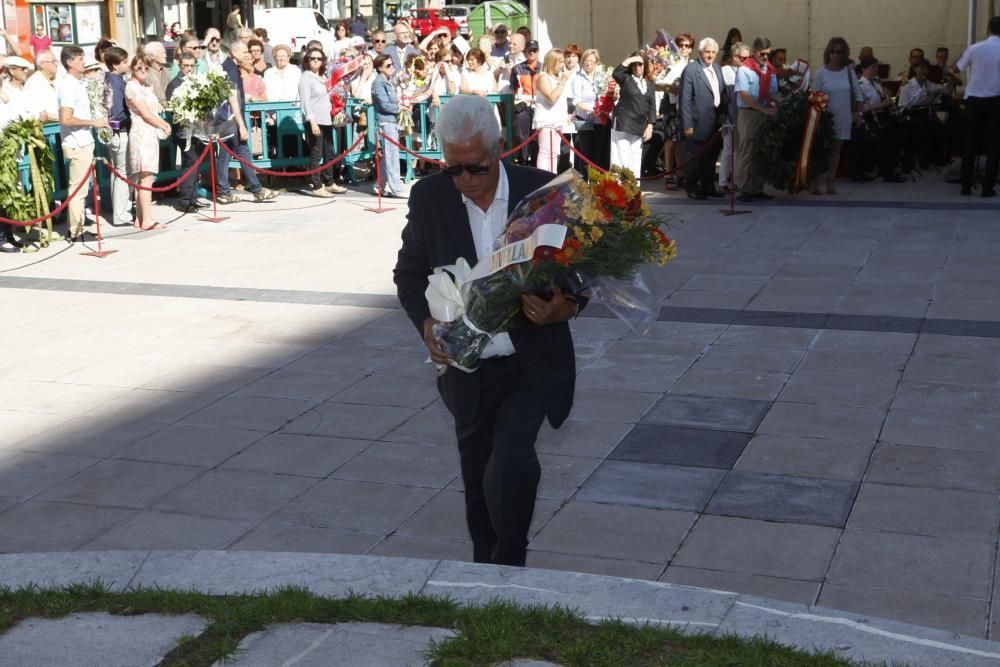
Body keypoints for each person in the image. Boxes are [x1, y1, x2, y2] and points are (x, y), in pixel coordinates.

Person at [393, 93, 581, 568]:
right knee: (477, 477)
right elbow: (409, 273)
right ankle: (486, 570)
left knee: (512, 461)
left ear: (497, 150)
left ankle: (509, 566)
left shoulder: (541, 191)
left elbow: (580, 272)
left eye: (473, 167)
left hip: (529, 358)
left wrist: (564, 306)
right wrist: (427, 324)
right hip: (466, 364)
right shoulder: (431, 198)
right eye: (451, 168)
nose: (462, 180)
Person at [216, 41, 279, 204]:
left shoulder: (230, 67)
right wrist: (242, 125)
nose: (247, 55)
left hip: (227, 119)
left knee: (225, 154)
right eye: (244, 52)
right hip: (231, 118)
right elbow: (233, 99)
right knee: (243, 150)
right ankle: (257, 189)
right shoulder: (229, 69)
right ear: (234, 52)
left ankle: (223, 191)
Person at [57, 46, 109, 243]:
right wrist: (92, 123)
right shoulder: (68, 85)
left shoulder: (78, 83)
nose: (83, 61)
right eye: (80, 59)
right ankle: (75, 231)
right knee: (77, 190)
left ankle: (77, 227)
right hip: (77, 143)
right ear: (69, 62)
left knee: (82, 189)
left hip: (85, 140)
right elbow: (66, 119)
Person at [809, 37, 863, 195]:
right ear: (828, 53)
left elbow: (858, 95)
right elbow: (814, 96)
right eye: (832, 51)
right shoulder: (820, 73)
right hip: (824, 117)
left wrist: (859, 114)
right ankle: (814, 180)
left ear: (844, 53)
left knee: (835, 151)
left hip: (843, 117)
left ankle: (830, 181)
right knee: (820, 150)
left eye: (839, 52)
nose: (835, 55)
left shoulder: (849, 72)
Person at [954, 15, 1000, 198]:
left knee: (970, 143)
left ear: (988, 30)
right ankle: (987, 188)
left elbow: (957, 68)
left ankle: (965, 186)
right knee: (994, 146)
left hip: (974, 99)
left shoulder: (975, 48)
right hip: (996, 100)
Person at [125, 55, 171, 231]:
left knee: (143, 177)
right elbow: (145, 113)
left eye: (145, 67)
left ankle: (140, 218)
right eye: (139, 67)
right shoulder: (132, 87)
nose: (143, 70)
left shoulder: (146, 86)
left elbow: (154, 108)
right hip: (142, 133)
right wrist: (164, 125)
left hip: (149, 133)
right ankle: (147, 220)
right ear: (132, 69)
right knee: (146, 178)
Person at [679, 37, 724, 199]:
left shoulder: (718, 68)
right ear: (700, 52)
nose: (710, 55)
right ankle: (691, 186)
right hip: (696, 122)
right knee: (694, 156)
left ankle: (708, 186)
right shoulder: (691, 70)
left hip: (714, 123)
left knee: (710, 157)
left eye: (713, 52)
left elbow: (722, 93)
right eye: (707, 52)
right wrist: (687, 124)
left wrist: (723, 114)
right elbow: (684, 99)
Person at [735, 37, 778, 202]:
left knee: (761, 151)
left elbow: (773, 93)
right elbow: (744, 96)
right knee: (747, 151)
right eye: (763, 53)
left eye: (768, 54)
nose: (766, 57)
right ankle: (744, 189)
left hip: (764, 113)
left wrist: (787, 101)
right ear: (754, 52)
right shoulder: (744, 70)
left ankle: (757, 187)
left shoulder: (770, 70)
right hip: (749, 113)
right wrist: (765, 109)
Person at [298, 47, 342, 198]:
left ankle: (329, 182)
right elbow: (305, 102)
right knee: (316, 153)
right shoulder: (306, 78)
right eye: (312, 58)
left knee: (330, 152)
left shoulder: (323, 77)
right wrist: (312, 121)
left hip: (327, 119)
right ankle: (317, 185)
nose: (316, 61)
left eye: (319, 58)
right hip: (315, 120)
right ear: (307, 60)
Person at [167, 51, 206, 214]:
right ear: (180, 66)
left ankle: (192, 195)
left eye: (191, 66)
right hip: (184, 131)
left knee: (195, 164)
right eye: (185, 66)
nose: (188, 69)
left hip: (198, 130)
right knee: (191, 163)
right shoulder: (174, 84)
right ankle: (185, 200)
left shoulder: (197, 81)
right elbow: (173, 108)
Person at [855, 57, 904, 184]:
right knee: (885, 133)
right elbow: (859, 108)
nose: (876, 71)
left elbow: (887, 100)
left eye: (877, 68)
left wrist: (889, 96)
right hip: (868, 118)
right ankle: (887, 172)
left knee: (898, 129)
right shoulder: (860, 85)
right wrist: (880, 105)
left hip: (881, 116)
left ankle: (891, 167)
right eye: (873, 68)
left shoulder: (876, 83)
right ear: (864, 69)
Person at [609, 52, 656, 177]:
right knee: (621, 158)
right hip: (623, 124)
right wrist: (629, 60)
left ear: (644, 65)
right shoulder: (626, 79)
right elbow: (616, 73)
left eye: (640, 64)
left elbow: (652, 106)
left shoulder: (650, 84)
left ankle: (633, 190)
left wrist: (650, 126)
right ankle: (620, 191)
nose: (637, 67)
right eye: (634, 64)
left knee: (635, 158)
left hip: (640, 125)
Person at [103, 47, 134, 226]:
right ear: (115, 65)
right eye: (124, 62)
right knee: (122, 172)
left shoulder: (114, 80)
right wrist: (132, 116)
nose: (127, 64)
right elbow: (117, 111)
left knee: (119, 172)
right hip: (119, 131)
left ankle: (121, 210)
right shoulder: (114, 82)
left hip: (117, 131)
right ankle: (121, 213)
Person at [661, 33, 693, 190]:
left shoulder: (693, 65)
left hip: (686, 107)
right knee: (671, 141)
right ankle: (669, 173)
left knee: (682, 142)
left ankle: (680, 173)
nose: (684, 48)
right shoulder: (671, 63)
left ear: (691, 49)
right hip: (672, 106)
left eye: (687, 46)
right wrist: (672, 87)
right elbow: (661, 83)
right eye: (681, 45)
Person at [533, 48, 572, 173]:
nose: (562, 65)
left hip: (557, 121)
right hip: (547, 121)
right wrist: (563, 81)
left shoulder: (557, 78)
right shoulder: (543, 77)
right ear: (552, 62)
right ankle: (544, 180)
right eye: (560, 62)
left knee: (555, 153)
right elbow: (552, 98)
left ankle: (552, 178)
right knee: (546, 152)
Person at [571, 48, 609, 174]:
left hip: (600, 119)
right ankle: (585, 180)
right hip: (584, 119)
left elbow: (607, 96)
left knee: (598, 152)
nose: (588, 64)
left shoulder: (602, 78)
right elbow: (577, 101)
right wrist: (591, 110)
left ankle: (597, 181)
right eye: (586, 61)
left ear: (596, 63)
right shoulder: (578, 78)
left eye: (591, 61)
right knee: (585, 153)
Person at [371, 54, 403, 198]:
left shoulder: (389, 80)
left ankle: (379, 186)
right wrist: (400, 108)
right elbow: (384, 105)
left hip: (392, 120)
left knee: (388, 156)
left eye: (392, 64)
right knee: (391, 156)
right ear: (379, 68)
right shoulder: (378, 82)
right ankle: (396, 188)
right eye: (388, 65)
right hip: (385, 121)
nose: (392, 68)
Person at [719, 42, 748, 192]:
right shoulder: (724, 71)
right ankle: (723, 182)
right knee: (728, 149)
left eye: (746, 58)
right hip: (730, 116)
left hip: (744, 116)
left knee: (739, 151)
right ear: (733, 56)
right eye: (741, 58)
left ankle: (737, 181)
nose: (744, 61)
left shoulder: (748, 71)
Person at [510, 40, 540, 164]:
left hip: (539, 108)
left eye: (534, 50)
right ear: (525, 52)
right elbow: (513, 89)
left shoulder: (544, 68)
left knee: (536, 139)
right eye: (529, 50)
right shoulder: (517, 68)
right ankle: (523, 163)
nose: (532, 53)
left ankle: (535, 164)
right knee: (522, 138)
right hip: (522, 108)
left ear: (538, 52)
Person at [24, 50, 59, 122]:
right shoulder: (33, 84)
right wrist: (62, 118)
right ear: (42, 64)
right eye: (53, 61)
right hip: (48, 129)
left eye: (56, 61)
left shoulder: (59, 78)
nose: (56, 64)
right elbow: (38, 112)